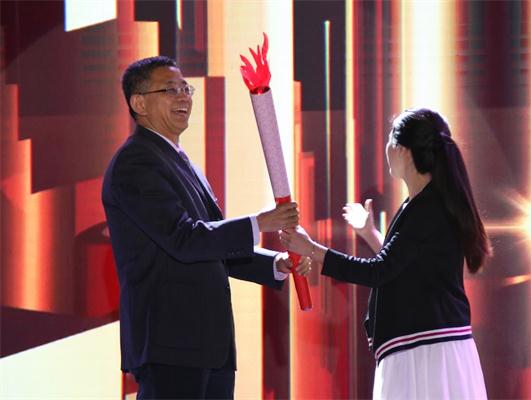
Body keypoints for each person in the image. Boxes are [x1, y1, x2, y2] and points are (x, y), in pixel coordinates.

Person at [102, 56, 310, 399]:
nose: (183, 97)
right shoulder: (135, 162)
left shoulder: (181, 162)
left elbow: (212, 245)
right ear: (139, 103)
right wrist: (260, 223)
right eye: (170, 90)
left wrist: (275, 263)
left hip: (209, 346)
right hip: (171, 343)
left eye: (186, 88)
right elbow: (184, 239)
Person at [281, 107, 491, 399]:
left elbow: (379, 271)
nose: (386, 149)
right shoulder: (421, 205)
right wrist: (370, 233)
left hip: (426, 350)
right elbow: (403, 267)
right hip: (424, 347)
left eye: (390, 140)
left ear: (403, 150)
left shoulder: (427, 209)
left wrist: (311, 250)